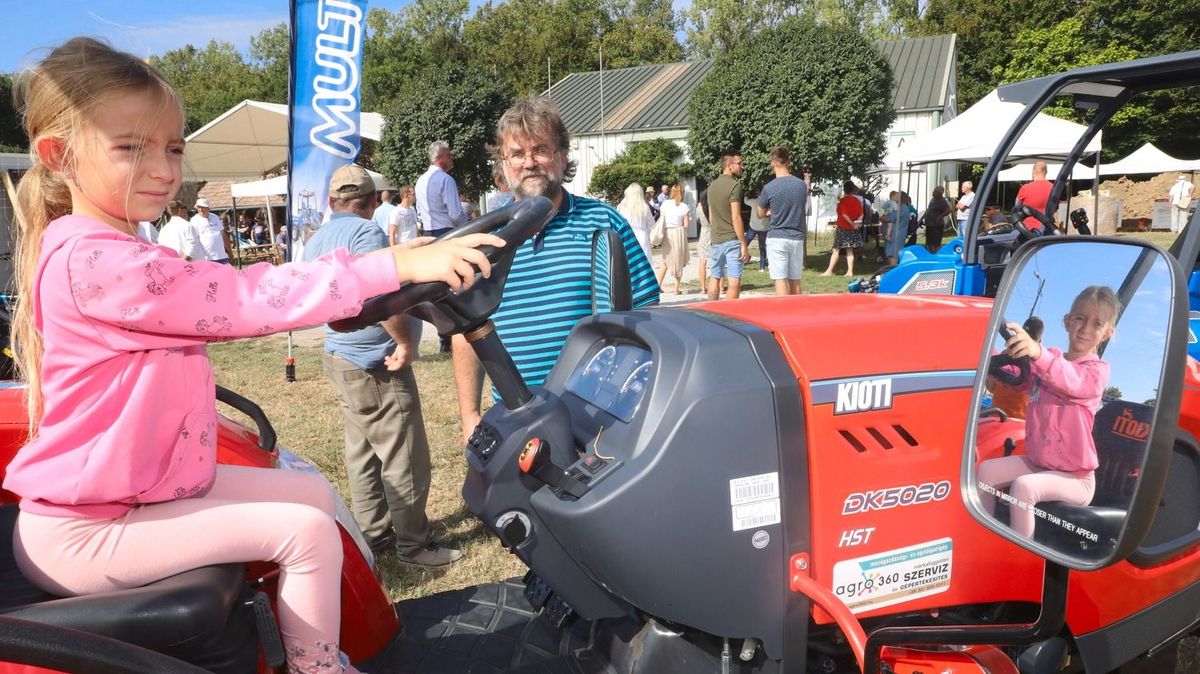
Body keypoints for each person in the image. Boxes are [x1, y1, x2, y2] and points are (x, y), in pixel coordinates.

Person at [3, 37, 504, 674]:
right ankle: (318, 666)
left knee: (312, 494)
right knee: (306, 531)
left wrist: (379, 279)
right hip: (86, 528)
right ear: (59, 156)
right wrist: (396, 263)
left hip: (137, 491)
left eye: (174, 148)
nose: (164, 169)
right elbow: (244, 297)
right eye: (132, 147)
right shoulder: (98, 261)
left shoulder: (109, 251)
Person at [451, 96, 659, 441]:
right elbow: (465, 332)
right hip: (514, 416)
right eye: (516, 154)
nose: (529, 162)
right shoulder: (481, 239)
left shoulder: (603, 223)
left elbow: (648, 315)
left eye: (541, 150)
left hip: (596, 416)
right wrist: (470, 414)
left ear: (562, 156)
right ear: (502, 165)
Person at [302, 165, 458, 569]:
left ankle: (374, 535)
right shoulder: (367, 233)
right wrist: (406, 342)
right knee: (404, 454)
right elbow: (378, 298)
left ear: (331, 203)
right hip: (375, 361)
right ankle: (414, 547)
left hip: (339, 355)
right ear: (373, 202)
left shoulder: (316, 238)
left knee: (363, 453)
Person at [977, 286, 1119, 538]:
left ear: (1107, 333)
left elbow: (1068, 379)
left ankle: (1022, 559)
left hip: (1076, 478)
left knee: (1023, 488)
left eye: (1096, 324)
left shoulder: (1095, 371)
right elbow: (1021, 380)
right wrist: (992, 355)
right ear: (1067, 322)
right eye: (1079, 318)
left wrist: (1037, 353)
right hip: (1039, 464)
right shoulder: (1050, 360)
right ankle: (985, 541)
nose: (1085, 329)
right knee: (985, 472)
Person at [757, 146, 808, 295]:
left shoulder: (769, 187)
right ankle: (797, 315)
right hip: (797, 236)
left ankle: (783, 314)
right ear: (788, 161)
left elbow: (760, 213)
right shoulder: (801, 185)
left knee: (780, 280)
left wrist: (769, 212)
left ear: (773, 162)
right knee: (795, 280)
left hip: (777, 236)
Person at [706, 150, 749, 300]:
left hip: (716, 238)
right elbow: (736, 217)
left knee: (715, 276)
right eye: (739, 163)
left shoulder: (712, 186)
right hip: (731, 238)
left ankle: (711, 311)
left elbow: (711, 217)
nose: (741, 166)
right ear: (729, 165)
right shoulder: (734, 186)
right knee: (734, 280)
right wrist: (743, 243)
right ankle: (730, 316)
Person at [988, 316, 1044, 420]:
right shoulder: (1041, 368)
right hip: (1020, 428)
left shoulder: (1004, 355)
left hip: (994, 419)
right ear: (1039, 340)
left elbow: (991, 387)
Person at [415, 140, 467, 237]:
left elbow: (419, 211)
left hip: (427, 233)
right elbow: (455, 215)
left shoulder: (420, 181)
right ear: (438, 159)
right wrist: (469, 226)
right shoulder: (446, 179)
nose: (452, 157)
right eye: (448, 155)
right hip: (446, 232)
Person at [823, 181, 864, 277]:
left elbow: (844, 215)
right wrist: (857, 222)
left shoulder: (842, 202)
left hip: (843, 228)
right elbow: (861, 214)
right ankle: (850, 271)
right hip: (853, 229)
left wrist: (852, 223)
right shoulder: (857, 201)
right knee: (849, 250)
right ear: (853, 189)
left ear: (844, 189)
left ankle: (829, 271)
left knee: (836, 250)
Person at [656, 184, 691, 295]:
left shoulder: (665, 204)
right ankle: (676, 288)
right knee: (679, 260)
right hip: (678, 232)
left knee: (665, 260)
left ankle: (658, 285)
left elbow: (662, 217)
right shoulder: (684, 206)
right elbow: (686, 225)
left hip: (667, 232)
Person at [616, 182, 655, 263]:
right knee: (643, 265)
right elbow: (652, 224)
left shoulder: (621, 207)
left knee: (628, 265)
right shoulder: (644, 207)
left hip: (627, 237)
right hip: (642, 237)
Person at [1015, 161, 1053, 232]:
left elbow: (1017, 209)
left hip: (1028, 230)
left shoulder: (1025, 188)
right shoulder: (1053, 188)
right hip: (1047, 228)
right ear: (1046, 172)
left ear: (1033, 171)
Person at [190, 197, 230, 264]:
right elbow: (193, 239)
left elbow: (223, 234)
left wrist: (229, 251)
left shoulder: (215, 217)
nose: (200, 209)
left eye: (203, 207)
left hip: (221, 255)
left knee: (227, 273)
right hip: (206, 257)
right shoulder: (194, 220)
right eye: (198, 207)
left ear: (208, 208)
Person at [922, 185, 953, 253]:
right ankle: (930, 253)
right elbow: (929, 209)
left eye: (935, 191)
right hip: (929, 224)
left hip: (936, 225)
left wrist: (939, 217)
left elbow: (948, 210)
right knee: (929, 242)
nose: (933, 192)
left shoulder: (942, 201)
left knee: (935, 243)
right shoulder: (933, 199)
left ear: (940, 193)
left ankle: (935, 254)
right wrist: (922, 218)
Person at [743, 192, 769, 271]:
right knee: (762, 248)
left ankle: (738, 261)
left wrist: (746, 194)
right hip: (764, 228)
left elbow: (745, 201)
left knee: (744, 244)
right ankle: (762, 267)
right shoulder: (768, 202)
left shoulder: (754, 201)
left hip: (753, 226)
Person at [695, 187, 711, 294]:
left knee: (702, 261)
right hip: (714, 232)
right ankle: (721, 286)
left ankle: (702, 287)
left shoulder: (699, 207)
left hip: (704, 232)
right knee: (718, 260)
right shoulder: (714, 206)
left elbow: (698, 220)